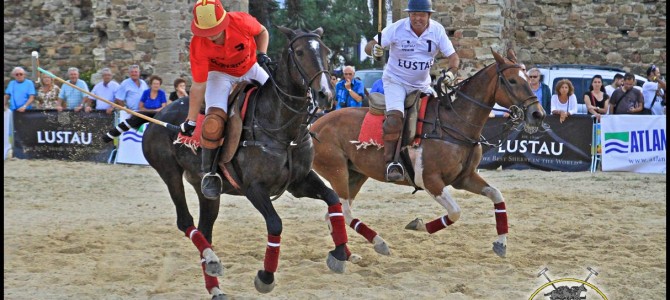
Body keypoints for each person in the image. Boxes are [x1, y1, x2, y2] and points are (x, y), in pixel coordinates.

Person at [179, 0, 271, 200]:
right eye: (206, 31)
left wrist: (262, 54)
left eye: (215, 29)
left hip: (250, 68)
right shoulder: (198, 44)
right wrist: (191, 120)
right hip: (219, 75)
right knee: (212, 124)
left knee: (278, 99)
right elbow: (198, 85)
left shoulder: (241, 21)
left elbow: (262, 31)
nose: (211, 34)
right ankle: (210, 173)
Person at [364, 0, 460, 181]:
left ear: (429, 16)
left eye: (421, 14)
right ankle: (391, 162)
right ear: (409, 14)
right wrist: (374, 50)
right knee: (395, 118)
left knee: (443, 112)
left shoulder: (437, 30)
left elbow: (453, 57)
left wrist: (451, 73)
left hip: (422, 84)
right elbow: (369, 46)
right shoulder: (397, 28)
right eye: (414, 14)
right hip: (396, 82)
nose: (417, 18)